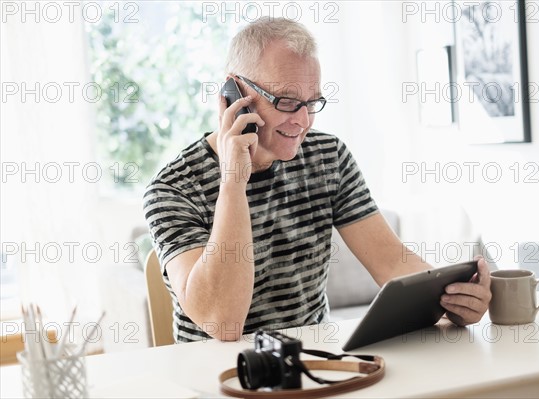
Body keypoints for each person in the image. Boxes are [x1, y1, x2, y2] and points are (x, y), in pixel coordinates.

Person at [143, 17, 491, 343]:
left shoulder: (328, 157)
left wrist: (452, 300)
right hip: (216, 375)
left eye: (312, 103)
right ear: (234, 93)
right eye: (287, 102)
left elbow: (392, 263)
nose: (303, 121)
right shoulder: (172, 189)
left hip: (315, 363)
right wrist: (234, 181)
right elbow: (223, 322)